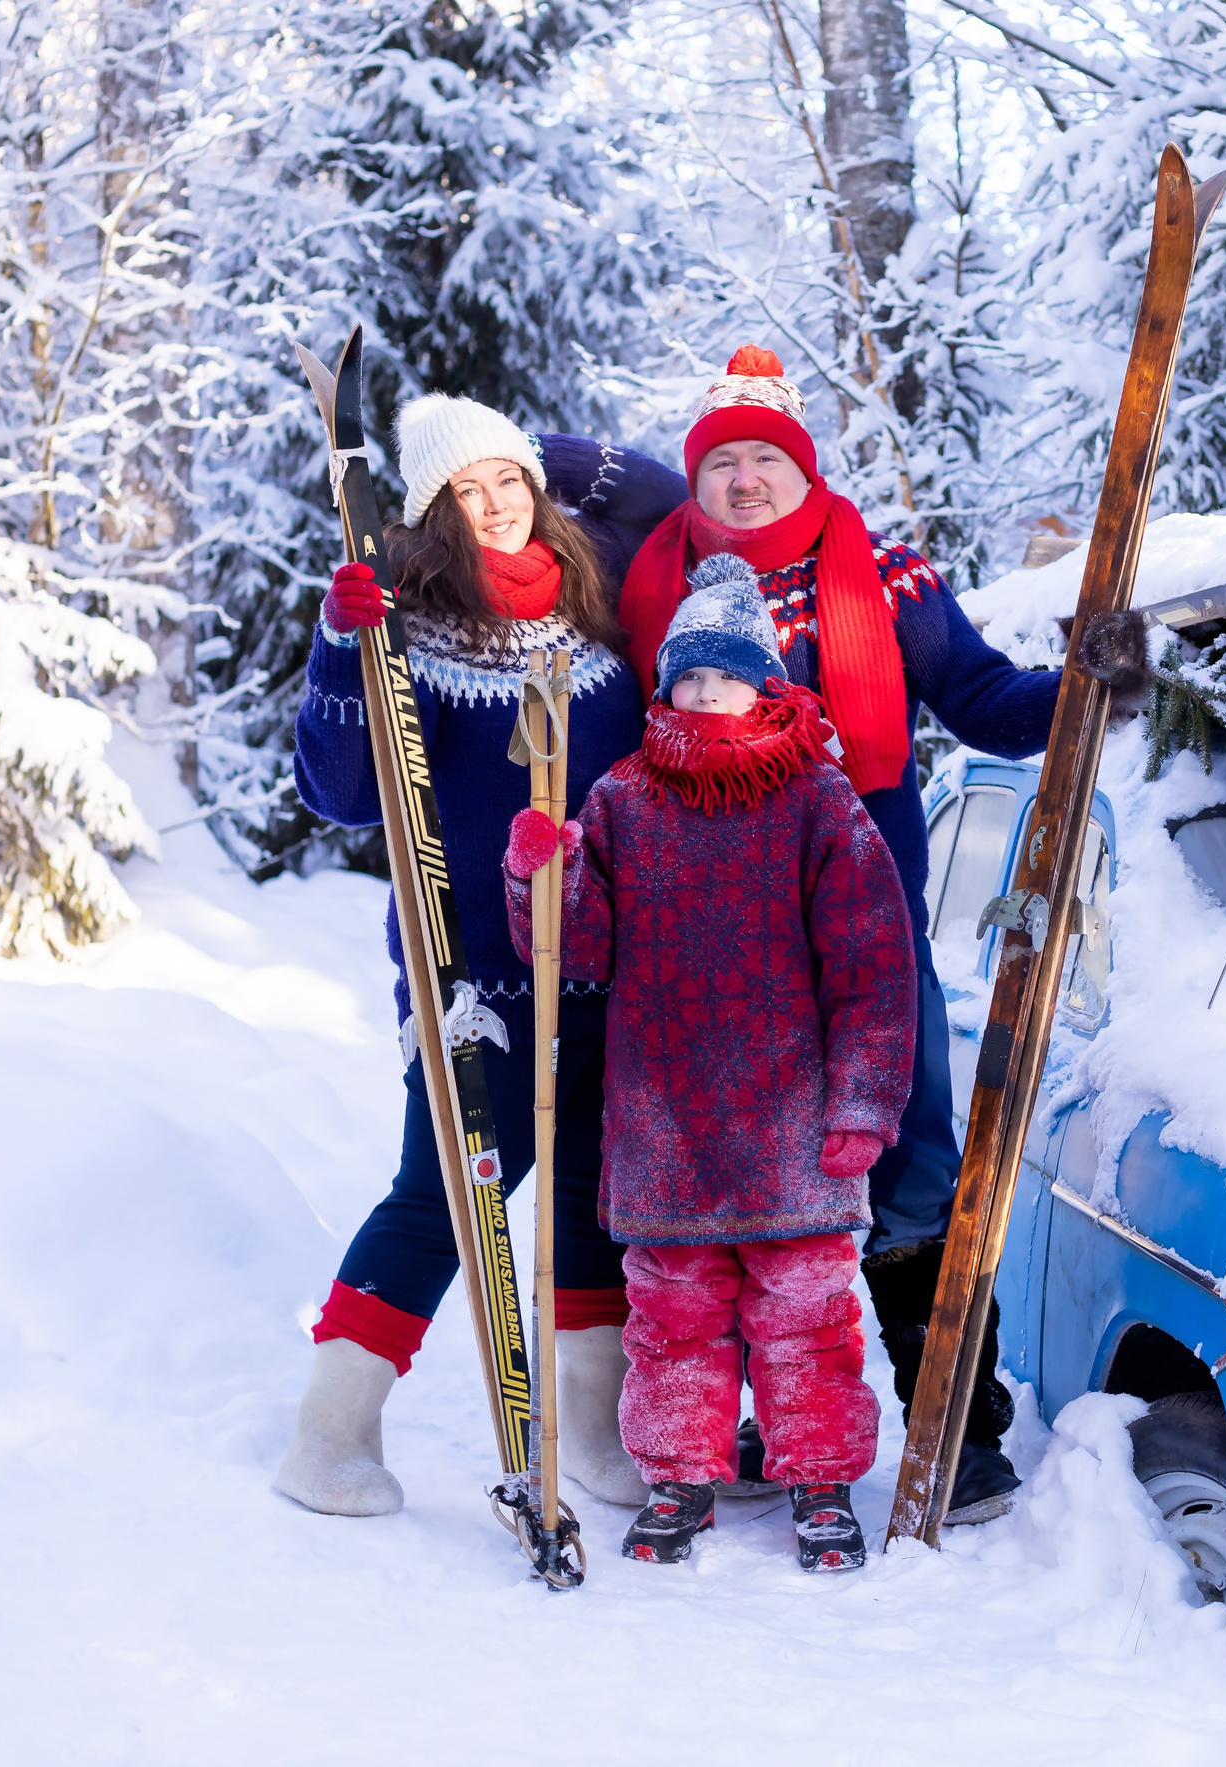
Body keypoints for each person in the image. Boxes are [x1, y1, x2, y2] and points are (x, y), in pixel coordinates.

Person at [610, 346, 1073, 1524]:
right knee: (724, 1195)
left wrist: (1079, 687)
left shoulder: (890, 581)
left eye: (767, 459)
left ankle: (953, 1428)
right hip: (701, 974)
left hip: (859, 949)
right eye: (723, 465)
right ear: (693, 481)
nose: (747, 482)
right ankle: (757, 1419)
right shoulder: (649, 589)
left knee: (910, 1172)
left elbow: (984, 701)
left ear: (802, 469)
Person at [274, 397, 687, 1517]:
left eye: (510, 478)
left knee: (598, 1202)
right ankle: (331, 1432)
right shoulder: (412, 628)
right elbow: (342, 794)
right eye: (468, 488)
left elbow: (664, 491)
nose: (498, 503)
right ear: (435, 512)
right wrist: (340, 648)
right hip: (477, 980)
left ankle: (592, 1434)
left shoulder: (593, 622)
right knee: (449, 1194)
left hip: (605, 970)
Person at [507, 556, 918, 1571]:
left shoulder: (818, 800)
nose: (701, 695)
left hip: (791, 1123)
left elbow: (874, 956)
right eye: (685, 678)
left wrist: (864, 1099)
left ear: (765, 684)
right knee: (673, 1318)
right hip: (665, 1119)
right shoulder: (619, 801)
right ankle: (680, 1478)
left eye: (722, 677)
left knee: (806, 1322)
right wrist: (537, 877)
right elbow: (580, 950)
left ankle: (818, 1482)